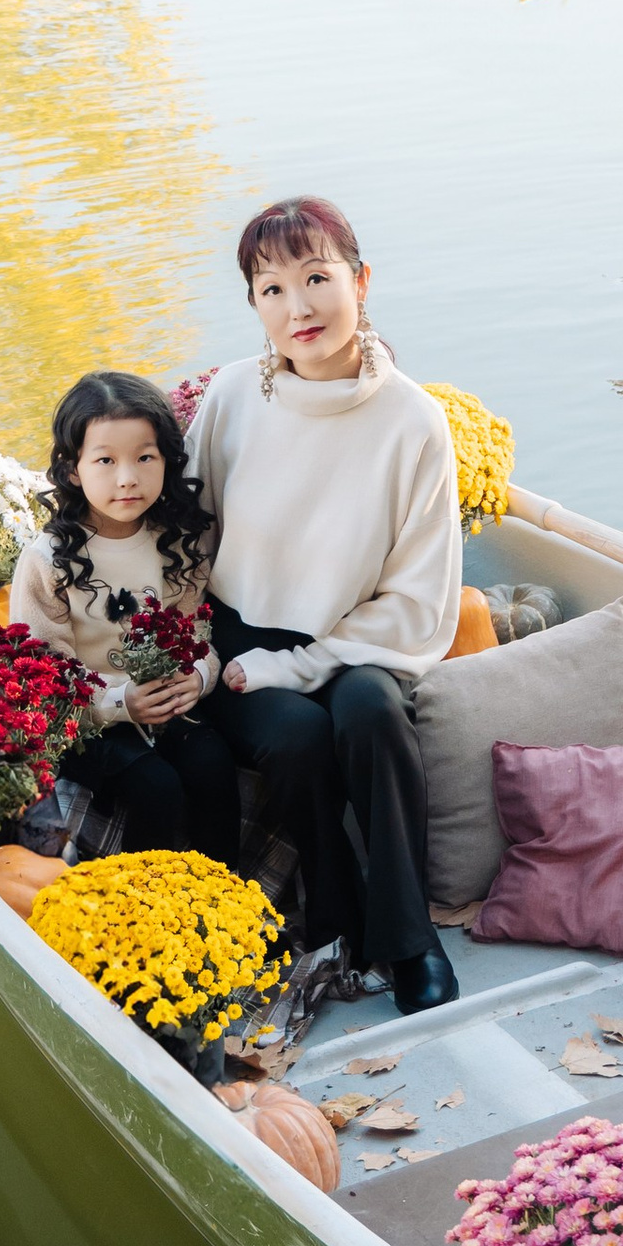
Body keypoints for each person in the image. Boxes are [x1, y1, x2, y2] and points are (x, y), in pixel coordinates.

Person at [187, 199, 461, 1015]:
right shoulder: (235, 397)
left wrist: (306, 663)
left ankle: (410, 940)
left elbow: (417, 598)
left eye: (316, 278)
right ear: (254, 305)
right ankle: (338, 919)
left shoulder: (413, 422)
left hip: (355, 634)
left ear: (360, 281)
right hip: (240, 634)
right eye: (271, 289)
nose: (297, 307)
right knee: (299, 736)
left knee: (373, 713)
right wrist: (194, 647)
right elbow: (186, 538)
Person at [9, 369, 241, 872]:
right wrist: (119, 702)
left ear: (167, 460)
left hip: (165, 705)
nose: (128, 478)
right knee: (154, 785)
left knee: (212, 765)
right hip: (88, 721)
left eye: (144, 457)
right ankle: (138, 898)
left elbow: (198, 633)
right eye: (105, 460)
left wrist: (198, 676)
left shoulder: (177, 542)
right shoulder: (49, 560)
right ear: (73, 470)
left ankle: (224, 894)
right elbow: (44, 674)